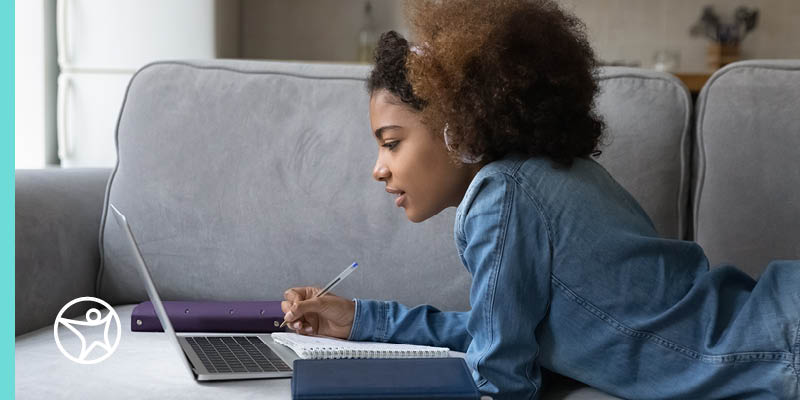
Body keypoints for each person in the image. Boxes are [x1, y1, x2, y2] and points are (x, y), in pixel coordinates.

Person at [280, 1, 800, 398]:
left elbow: (501, 377)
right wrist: (362, 321)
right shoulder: (547, 177)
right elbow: (503, 332)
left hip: (779, 347)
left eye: (391, 142)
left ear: (457, 127)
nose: (379, 168)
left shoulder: (502, 197)